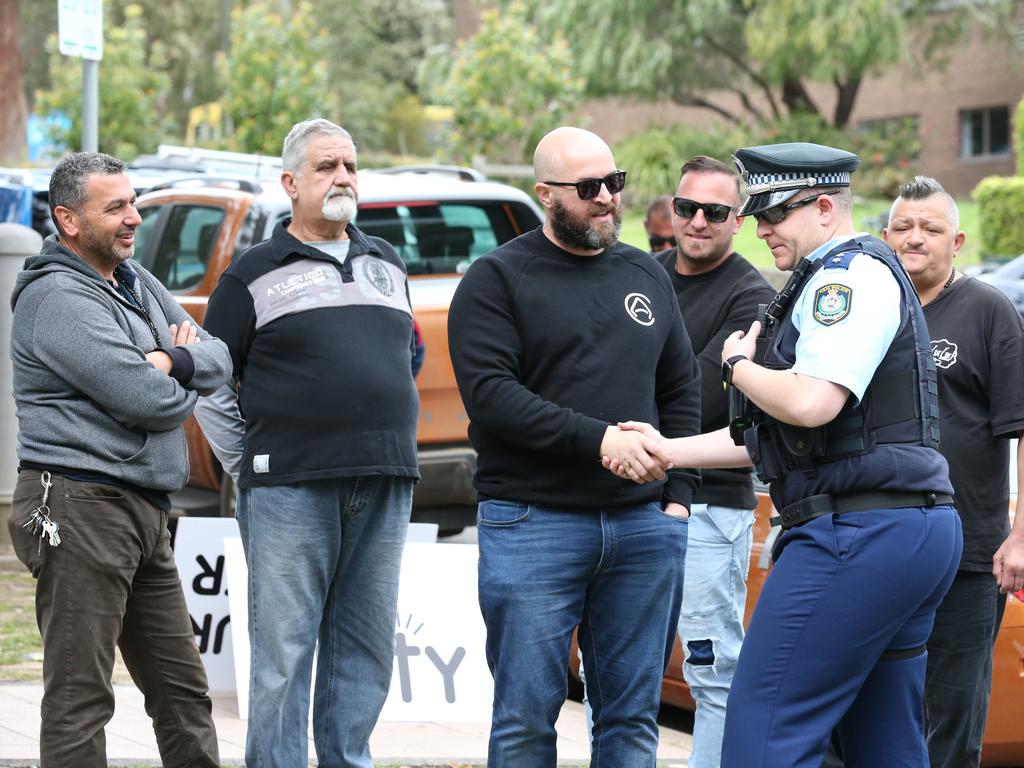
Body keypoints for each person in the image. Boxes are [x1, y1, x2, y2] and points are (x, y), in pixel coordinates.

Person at [607, 142, 963, 768]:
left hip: (858, 532)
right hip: (900, 527)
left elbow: (810, 404)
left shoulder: (843, 279)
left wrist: (738, 366)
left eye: (773, 212)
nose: (761, 227)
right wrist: (668, 449)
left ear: (825, 207)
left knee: (763, 734)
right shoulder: (839, 276)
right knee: (882, 740)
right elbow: (779, 437)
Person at [447, 126, 701, 767]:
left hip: (644, 528)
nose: (607, 199)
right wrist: (600, 441)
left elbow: (681, 386)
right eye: (589, 188)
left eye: (614, 183)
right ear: (546, 194)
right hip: (534, 523)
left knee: (630, 720)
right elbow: (493, 398)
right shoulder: (497, 279)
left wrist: (679, 500)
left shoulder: (644, 270)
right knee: (526, 720)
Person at [195, 118, 421, 768]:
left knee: (365, 650)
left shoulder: (386, 261)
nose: (343, 176)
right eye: (327, 166)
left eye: (350, 164)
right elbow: (211, 381)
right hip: (288, 486)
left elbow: (398, 360)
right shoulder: (249, 275)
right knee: (283, 657)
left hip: (384, 477)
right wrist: (251, 461)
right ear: (291, 183)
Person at [6, 151, 230, 767]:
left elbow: (218, 356)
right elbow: (148, 399)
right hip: (80, 507)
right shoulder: (55, 298)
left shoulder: (134, 280)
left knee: (183, 693)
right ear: (68, 221)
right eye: (115, 208)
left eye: (132, 202)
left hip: (144, 511)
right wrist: (168, 363)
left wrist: (172, 360)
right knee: (81, 697)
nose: (133, 217)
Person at [883, 177, 1024, 768]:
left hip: (971, 553)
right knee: (875, 709)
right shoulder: (873, 310)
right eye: (904, 227)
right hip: (881, 544)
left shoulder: (990, 311)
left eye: (931, 229)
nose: (916, 239)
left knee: (951, 718)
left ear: (958, 240)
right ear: (885, 236)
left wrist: (1020, 534)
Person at [659, 155, 774, 767]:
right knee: (617, 667)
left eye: (715, 211)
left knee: (710, 670)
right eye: (686, 207)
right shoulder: (639, 273)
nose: (698, 221)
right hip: (627, 500)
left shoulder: (753, 297)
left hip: (708, 510)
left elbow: (703, 395)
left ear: (739, 220)